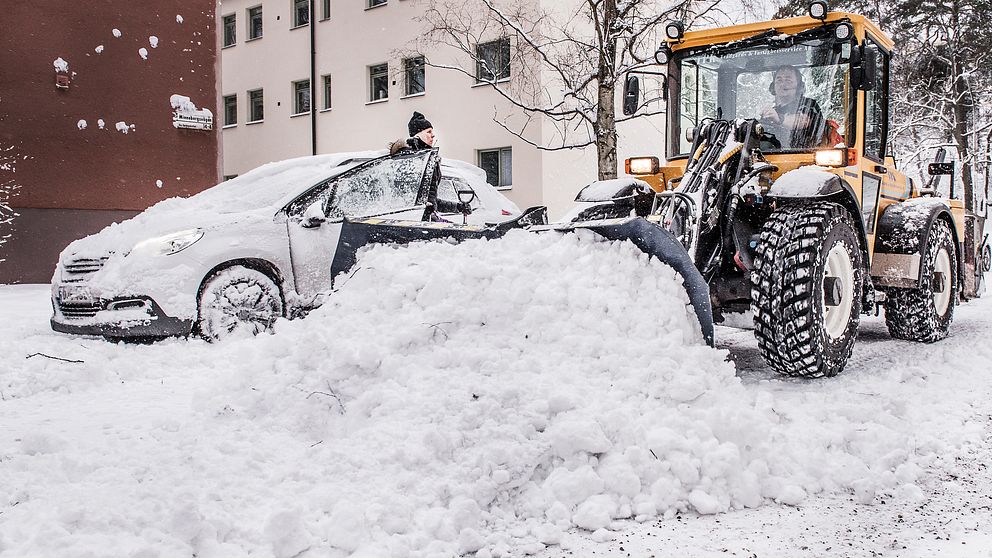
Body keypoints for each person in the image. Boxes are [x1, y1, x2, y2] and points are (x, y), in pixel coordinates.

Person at [388, 111, 471, 220]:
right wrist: (423, 209)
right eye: (429, 132)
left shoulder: (428, 159)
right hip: (413, 222)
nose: (433, 135)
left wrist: (458, 207)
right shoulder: (411, 159)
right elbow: (404, 197)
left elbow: (431, 201)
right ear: (419, 134)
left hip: (427, 220)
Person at [759, 65, 826, 149]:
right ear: (773, 86)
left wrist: (779, 118)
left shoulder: (809, 104)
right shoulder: (771, 112)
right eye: (779, 80)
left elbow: (803, 121)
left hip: (804, 156)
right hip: (772, 156)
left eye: (788, 80)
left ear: (799, 86)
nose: (783, 84)